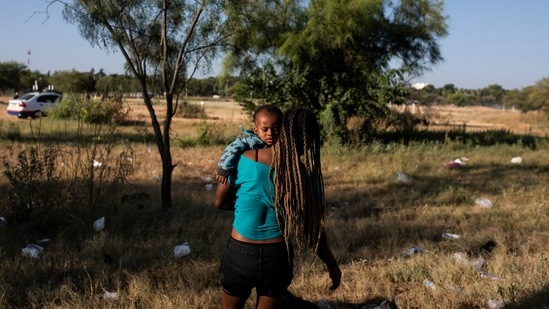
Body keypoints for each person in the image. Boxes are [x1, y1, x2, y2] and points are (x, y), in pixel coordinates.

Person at [215, 106, 341, 309]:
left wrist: (245, 206)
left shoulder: (244, 158)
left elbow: (219, 202)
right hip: (277, 257)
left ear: (281, 131)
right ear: (310, 143)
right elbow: (313, 232)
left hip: (239, 254)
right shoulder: (305, 178)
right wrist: (332, 265)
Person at [216, 105, 282, 185]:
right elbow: (231, 150)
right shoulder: (248, 142)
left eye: (275, 129)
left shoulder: (281, 145)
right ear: (255, 130)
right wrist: (224, 169)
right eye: (265, 129)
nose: (270, 133)